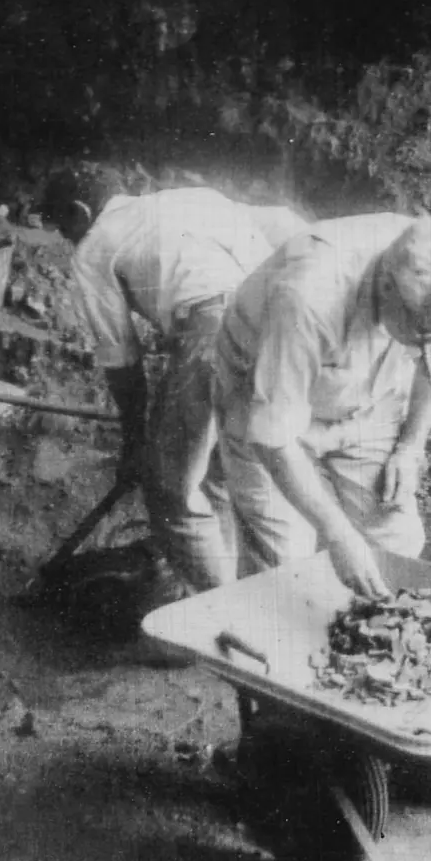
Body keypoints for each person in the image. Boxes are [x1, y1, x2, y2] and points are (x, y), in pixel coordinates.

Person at [41, 166, 309, 593]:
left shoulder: (94, 246)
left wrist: (136, 446)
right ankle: (248, 603)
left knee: (170, 490)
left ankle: (216, 612)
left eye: (64, 229)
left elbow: (121, 359)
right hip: (287, 330)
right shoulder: (192, 199)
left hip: (214, 332)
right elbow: (279, 232)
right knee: (218, 473)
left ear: (80, 213)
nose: (67, 240)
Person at [213, 212, 431, 599]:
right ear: (388, 288)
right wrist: (338, 534)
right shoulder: (308, 295)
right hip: (263, 387)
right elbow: (272, 436)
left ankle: (383, 645)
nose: (428, 347)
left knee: (394, 545)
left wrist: (409, 448)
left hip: (367, 399)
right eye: (422, 335)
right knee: (285, 561)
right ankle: (277, 652)